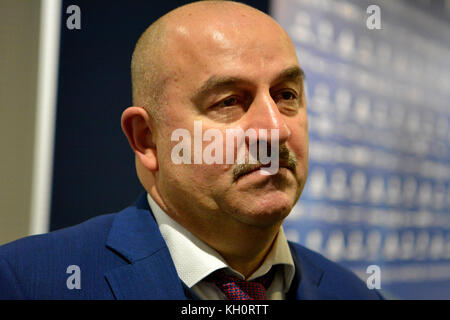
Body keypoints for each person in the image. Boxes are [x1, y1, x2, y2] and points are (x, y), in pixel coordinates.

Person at [0, 0, 383, 300]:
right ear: (147, 139)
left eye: (286, 96)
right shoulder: (28, 282)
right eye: (230, 101)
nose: (275, 129)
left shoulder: (353, 294)